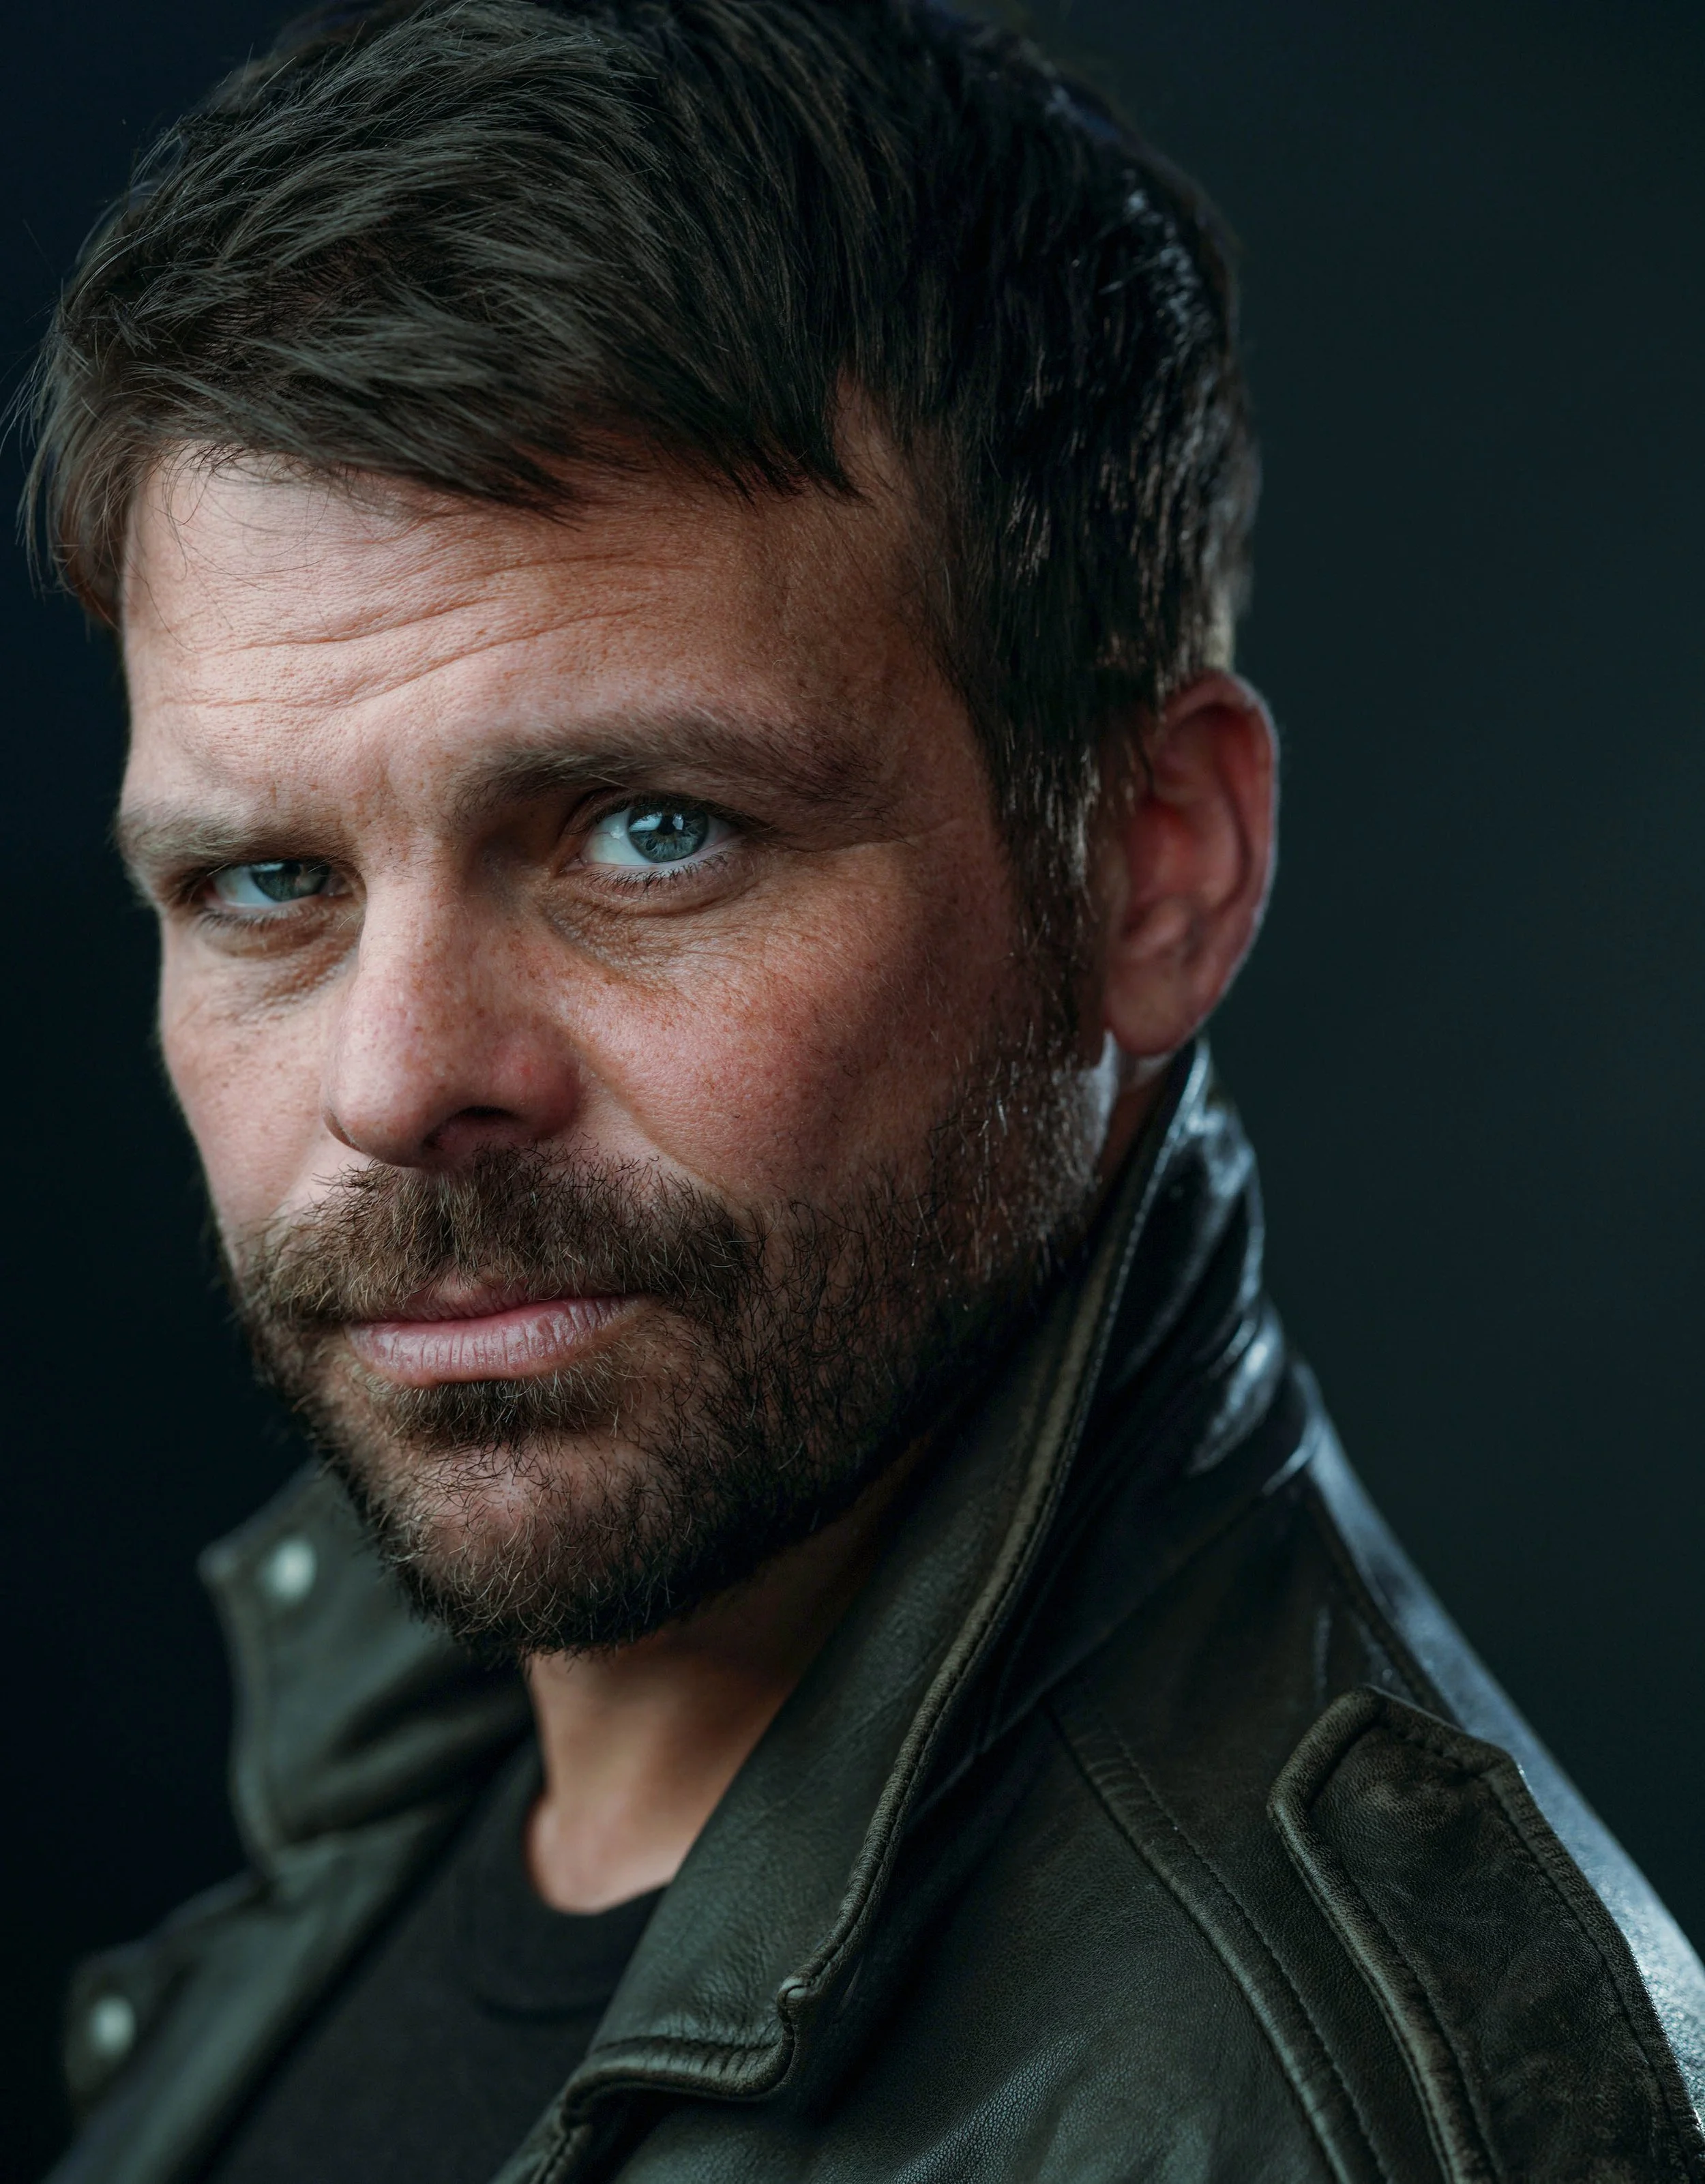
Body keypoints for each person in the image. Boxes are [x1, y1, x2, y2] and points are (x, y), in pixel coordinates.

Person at [31, 2, 1705, 2179]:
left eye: (649, 830)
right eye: (267, 881)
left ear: (1150, 865)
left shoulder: (1342, 2121)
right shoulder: (410, 1743)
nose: (398, 1079)